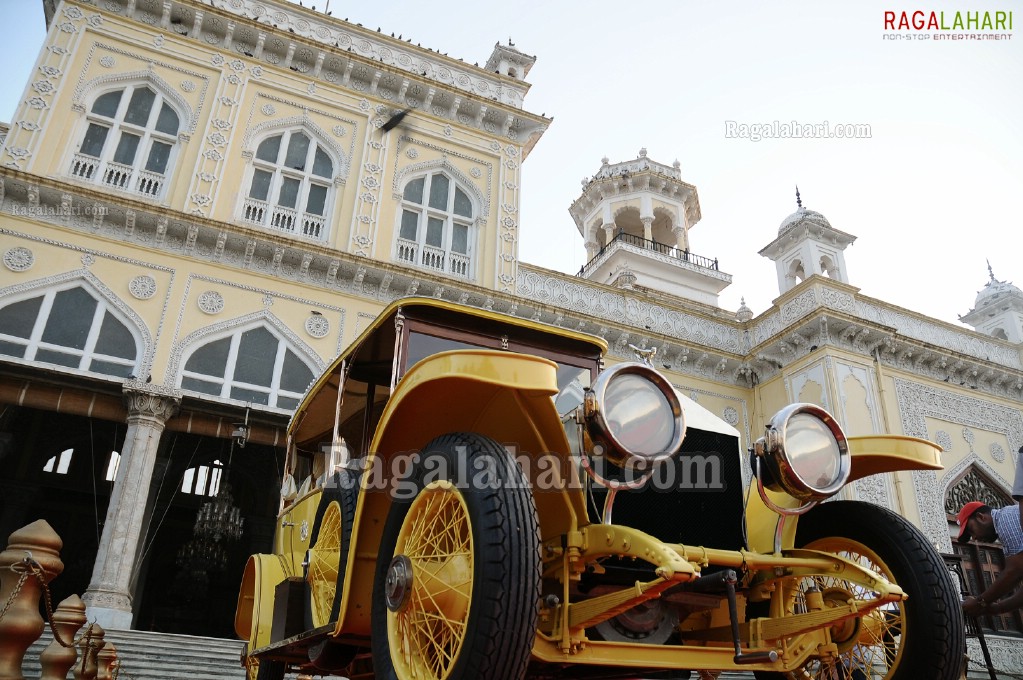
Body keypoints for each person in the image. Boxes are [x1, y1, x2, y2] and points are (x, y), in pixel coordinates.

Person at [958, 445, 1023, 617]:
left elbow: (1015, 570)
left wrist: (980, 601)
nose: (974, 538)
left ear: (981, 517)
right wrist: (994, 609)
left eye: (971, 531)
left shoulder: (1005, 521)